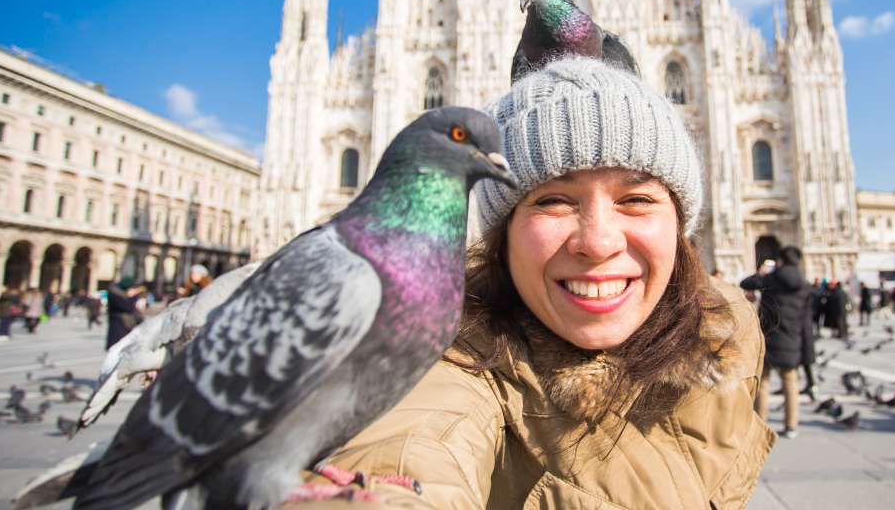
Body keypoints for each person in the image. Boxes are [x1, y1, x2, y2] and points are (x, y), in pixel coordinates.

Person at [294, 58, 772, 507]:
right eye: (553, 200)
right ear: (502, 235)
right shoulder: (449, 362)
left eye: (637, 198)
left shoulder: (724, 332)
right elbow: (410, 449)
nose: (599, 242)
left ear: (679, 224)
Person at [741, 246, 809, 440]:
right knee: (791, 383)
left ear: (781, 260)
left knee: (763, 383)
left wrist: (762, 273)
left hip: (771, 337)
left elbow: (745, 283)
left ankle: (760, 425)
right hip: (793, 338)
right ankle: (791, 425)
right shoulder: (804, 283)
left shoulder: (772, 278)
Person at [106, 278, 145, 349]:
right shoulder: (115, 294)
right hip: (118, 329)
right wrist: (133, 296)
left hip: (125, 327)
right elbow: (128, 308)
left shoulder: (121, 294)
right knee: (117, 350)